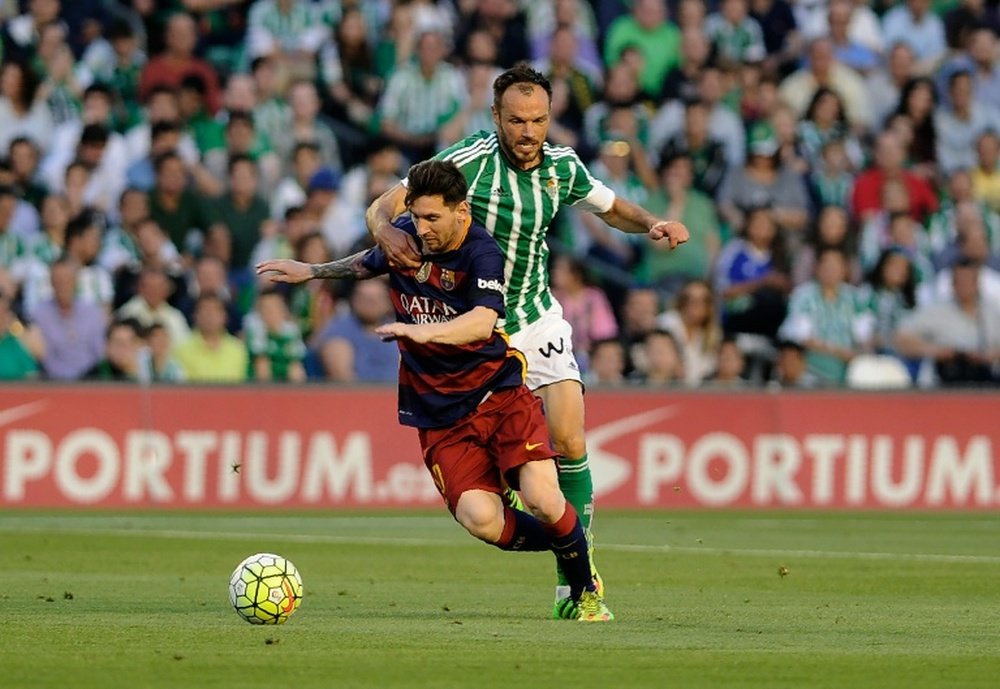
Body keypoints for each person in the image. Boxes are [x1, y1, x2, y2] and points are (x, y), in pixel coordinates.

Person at [363, 63, 689, 618]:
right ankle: (547, 533)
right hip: (478, 328)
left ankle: (573, 584)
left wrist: (653, 222)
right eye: (516, 120)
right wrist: (385, 232)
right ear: (496, 117)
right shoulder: (467, 160)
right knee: (507, 489)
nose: (528, 131)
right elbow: (384, 207)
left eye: (538, 119)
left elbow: (612, 209)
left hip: (535, 319)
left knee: (572, 442)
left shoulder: (562, 165)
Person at [257, 159, 612, 621]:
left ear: (461, 211)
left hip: (497, 396)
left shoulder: (481, 252)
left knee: (545, 500)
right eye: (416, 216)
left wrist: (425, 333)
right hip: (439, 411)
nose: (420, 228)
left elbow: (483, 320)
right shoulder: (406, 236)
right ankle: (569, 546)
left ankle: (584, 590)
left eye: (431, 218)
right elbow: (367, 263)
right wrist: (312, 270)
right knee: (481, 520)